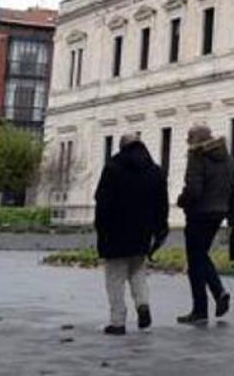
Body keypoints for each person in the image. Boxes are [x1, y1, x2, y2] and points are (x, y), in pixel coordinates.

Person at [93, 132, 168, 335]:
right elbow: (162, 205)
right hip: (142, 233)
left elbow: (102, 201)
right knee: (138, 272)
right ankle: (142, 304)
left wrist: (100, 228)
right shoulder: (155, 171)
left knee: (115, 278)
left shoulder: (112, 168)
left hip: (115, 232)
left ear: (122, 147)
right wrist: (160, 230)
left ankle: (117, 321)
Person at [175, 123, 234, 324]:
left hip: (199, 214)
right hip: (218, 213)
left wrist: (182, 201)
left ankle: (211, 299)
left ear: (196, 139)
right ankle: (203, 306)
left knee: (197, 258)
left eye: (189, 138)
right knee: (199, 258)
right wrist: (232, 217)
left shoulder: (197, 156)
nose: (187, 142)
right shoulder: (228, 159)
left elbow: (194, 189)